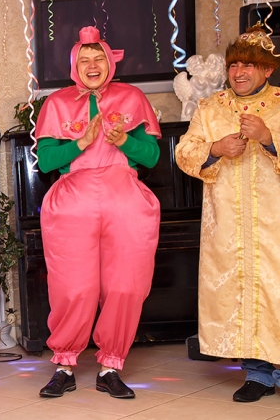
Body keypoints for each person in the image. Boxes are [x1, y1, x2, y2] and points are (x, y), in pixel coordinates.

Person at [34, 26, 161, 400]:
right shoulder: (56, 103)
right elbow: (46, 162)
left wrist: (125, 141)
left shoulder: (132, 97)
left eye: (98, 58)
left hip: (126, 201)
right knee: (73, 287)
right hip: (72, 205)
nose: (92, 66)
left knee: (126, 285)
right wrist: (80, 144)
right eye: (84, 60)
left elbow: (152, 157)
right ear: (74, 66)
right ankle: (64, 365)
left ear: (110, 62)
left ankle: (110, 367)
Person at [175, 24, 280, 403]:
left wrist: (269, 139)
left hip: (274, 224)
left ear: (267, 69)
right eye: (234, 64)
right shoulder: (210, 108)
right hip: (229, 224)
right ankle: (258, 374)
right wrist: (215, 148)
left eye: (249, 65)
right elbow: (184, 152)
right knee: (242, 291)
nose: (239, 72)